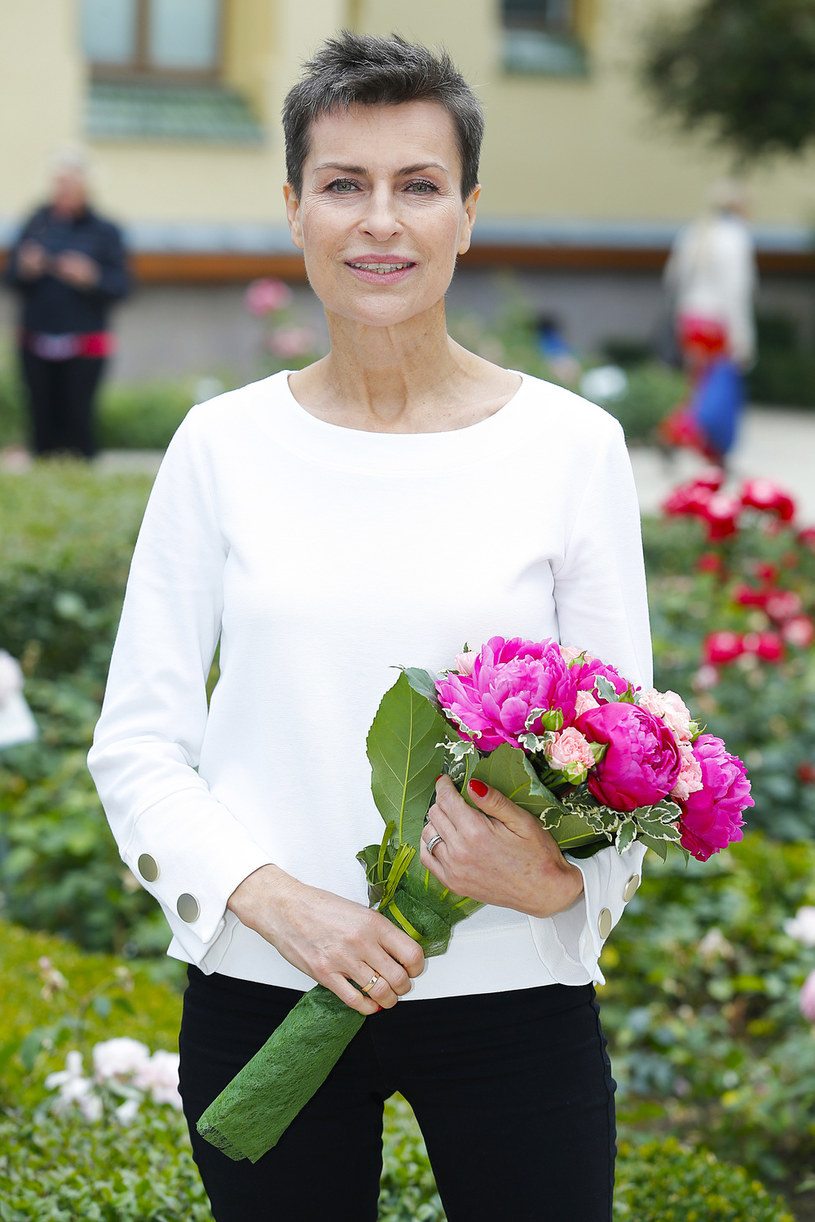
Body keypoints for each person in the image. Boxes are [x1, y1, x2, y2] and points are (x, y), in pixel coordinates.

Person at [88, 32, 652, 1222]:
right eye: (343, 184)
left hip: (512, 992)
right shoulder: (221, 447)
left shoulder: (568, 447)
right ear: (293, 210)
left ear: (467, 213)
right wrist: (278, 901)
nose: (378, 221)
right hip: (268, 986)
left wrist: (556, 889)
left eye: (417, 185)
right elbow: (135, 743)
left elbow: (628, 751)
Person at [3, 148, 131, 459]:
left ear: (85, 187)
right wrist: (25, 268)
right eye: (60, 184)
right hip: (37, 341)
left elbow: (122, 287)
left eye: (71, 185)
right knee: (41, 420)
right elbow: (10, 279)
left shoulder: (105, 231)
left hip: (84, 344)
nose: (64, 192)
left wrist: (90, 277)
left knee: (78, 419)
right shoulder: (35, 223)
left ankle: (80, 475)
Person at [658, 180, 757, 463]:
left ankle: (690, 441)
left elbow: (673, 279)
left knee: (698, 383)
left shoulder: (695, 232)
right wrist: (742, 337)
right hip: (718, 323)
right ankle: (682, 433)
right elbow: (735, 291)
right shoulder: (736, 237)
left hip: (690, 318)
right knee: (718, 387)